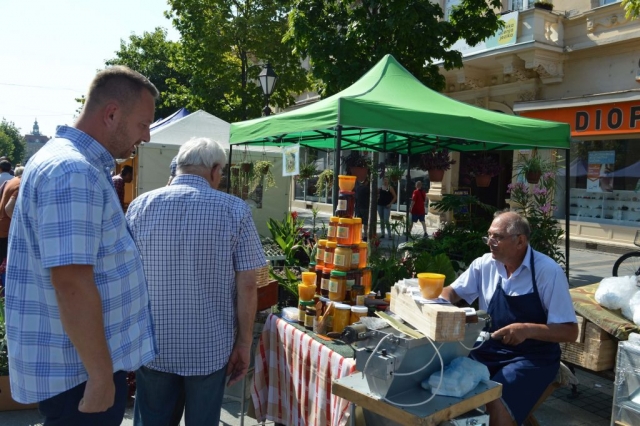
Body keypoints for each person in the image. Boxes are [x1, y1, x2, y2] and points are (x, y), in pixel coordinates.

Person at [5, 65, 158, 426]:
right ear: (111, 114)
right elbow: (71, 283)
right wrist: (102, 376)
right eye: (143, 124)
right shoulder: (73, 171)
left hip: (78, 368)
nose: (147, 136)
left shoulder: (71, 164)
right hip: (80, 374)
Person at [126, 137, 266, 426]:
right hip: (209, 347)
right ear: (215, 170)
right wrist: (243, 343)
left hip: (153, 344)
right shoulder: (235, 210)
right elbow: (248, 285)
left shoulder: (140, 206)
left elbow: (125, 276)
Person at [441, 211, 578, 426]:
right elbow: (451, 291)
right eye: (489, 236)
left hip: (531, 357)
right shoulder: (484, 264)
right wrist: (443, 305)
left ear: (520, 241)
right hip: (487, 348)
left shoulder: (547, 272)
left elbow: (570, 331)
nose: (490, 242)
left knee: (496, 402)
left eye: (497, 237)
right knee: (443, 382)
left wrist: (526, 329)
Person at [354, 175, 370, 241]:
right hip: (365, 207)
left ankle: (359, 235)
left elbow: (356, 198)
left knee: (359, 222)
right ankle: (365, 235)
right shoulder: (367, 189)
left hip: (358, 207)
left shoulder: (357, 188)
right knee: (365, 222)